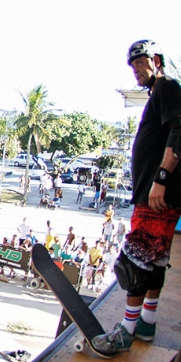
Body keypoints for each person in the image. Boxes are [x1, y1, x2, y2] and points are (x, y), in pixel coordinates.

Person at [92, 40, 181, 355]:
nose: (135, 70)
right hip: (159, 197)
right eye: (132, 66)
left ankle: (126, 331)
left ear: (156, 60)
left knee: (133, 264)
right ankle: (146, 321)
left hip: (154, 196)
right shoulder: (161, 92)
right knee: (155, 260)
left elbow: (179, 130)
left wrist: (161, 178)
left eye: (139, 63)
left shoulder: (168, 86)